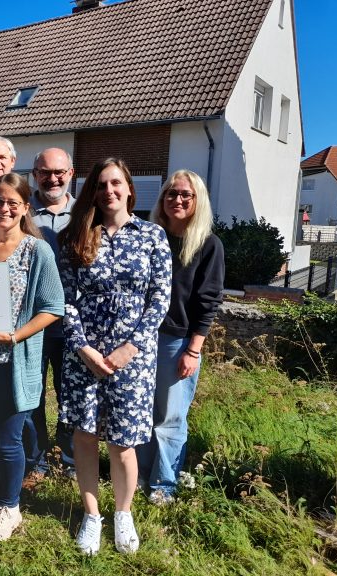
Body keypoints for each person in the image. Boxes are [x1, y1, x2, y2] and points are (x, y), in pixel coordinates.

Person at [58, 158, 171, 555]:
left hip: (133, 358)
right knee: (85, 436)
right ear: (93, 191)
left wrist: (130, 347)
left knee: (123, 442)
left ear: (129, 189)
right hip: (84, 354)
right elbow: (65, 300)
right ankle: (92, 515)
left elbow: (159, 299)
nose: (109, 191)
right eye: (102, 184)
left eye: (116, 183)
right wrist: (83, 347)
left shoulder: (153, 236)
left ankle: (123, 514)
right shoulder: (75, 236)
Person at [0, 172, 64, 542]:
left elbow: (53, 307)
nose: (4, 208)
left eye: (12, 203)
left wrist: (14, 336)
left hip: (15, 362)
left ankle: (11, 506)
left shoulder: (37, 250)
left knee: (8, 438)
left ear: (25, 208)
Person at [136, 170, 225, 504]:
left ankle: (164, 484)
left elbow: (209, 300)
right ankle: (142, 473)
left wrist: (194, 350)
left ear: (197, 201)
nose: (177, 200)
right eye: (171, 193)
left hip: (178, 342)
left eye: (185, 195)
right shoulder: (149, 237)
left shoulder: (208, 244)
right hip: (142, 338)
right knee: (143, 411)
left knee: (170, 417)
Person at [22, 147, 78, 488]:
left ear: (71, 173)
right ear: (35, 175)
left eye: (59, 172)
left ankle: (71, 459)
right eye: (45, 172)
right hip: (32, 322)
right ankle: (36, 459)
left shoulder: (87, 212)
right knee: (32, 396)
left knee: (70, 394)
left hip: (73, 326)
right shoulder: (23, 210)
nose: (52, 178)